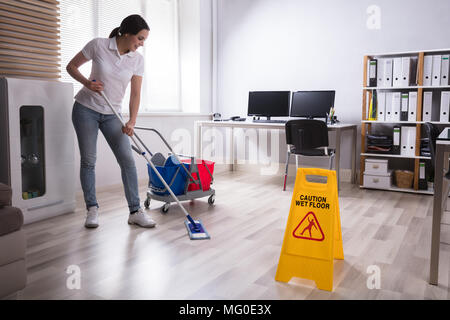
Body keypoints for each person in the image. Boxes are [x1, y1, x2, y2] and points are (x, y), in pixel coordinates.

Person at [67, 14, 156, 229]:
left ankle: (135, 211)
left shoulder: (137, 60)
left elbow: (135, 95)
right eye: (140, 38)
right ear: (126, 33)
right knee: (89, 160)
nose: (141, 44)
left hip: (113, 115)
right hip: (85, 110)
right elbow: (71, 67)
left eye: (144, 40)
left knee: (127, 160)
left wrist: (132, 122)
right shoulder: (99, 45)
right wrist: (87, 83)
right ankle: (92, 210)